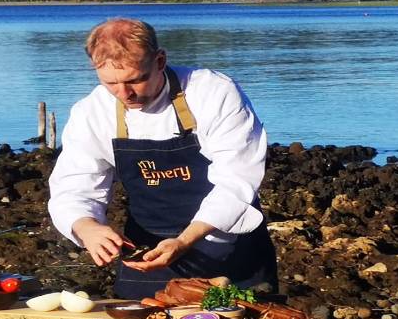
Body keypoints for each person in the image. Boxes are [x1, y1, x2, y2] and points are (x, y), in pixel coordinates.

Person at [48, 18, 277, 299]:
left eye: (135, 80)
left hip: (226, 247)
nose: (125, 93)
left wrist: (184, 240)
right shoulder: (91, 112)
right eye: (111, 83)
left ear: (159, 61)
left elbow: (237, 179)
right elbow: (74, 185)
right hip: (146, 255)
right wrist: (88, 228)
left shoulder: (212, 92)